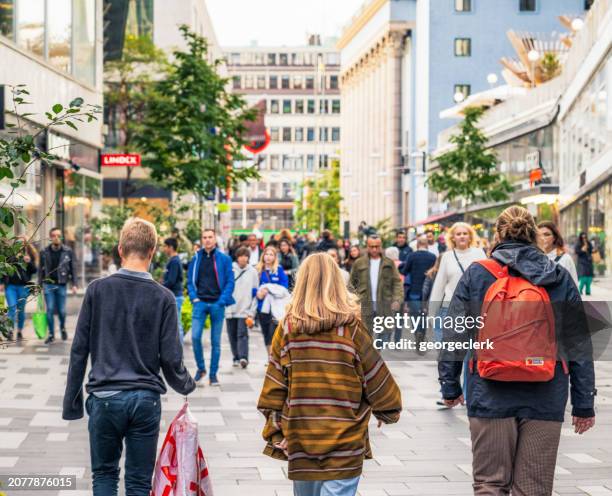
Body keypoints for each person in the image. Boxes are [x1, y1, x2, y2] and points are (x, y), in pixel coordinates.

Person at [439, 206, 596, 495]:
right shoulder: (558, 276)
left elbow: (454, 333)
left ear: (498, 234)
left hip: (488, 390)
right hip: (546, 393)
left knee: (490, 483)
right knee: (533, 486)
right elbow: (578, 343)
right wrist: (583, 402)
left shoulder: (478, 275)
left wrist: (450, 386)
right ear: (535, 234)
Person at [62, 218, 195, 496]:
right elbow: (171, 357)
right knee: (138, 482)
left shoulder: (97, 290)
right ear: (153, 251)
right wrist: (185, 384)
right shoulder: (163, 297)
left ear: (120, 249)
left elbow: (79, 350)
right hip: (144, 400)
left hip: (105, 397)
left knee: (105, 475)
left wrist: (72, 401)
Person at [257, 253, 402, 495]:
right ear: (337, 282)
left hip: (302, 437)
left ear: (301, 282)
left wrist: (275, 432)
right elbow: (374, 373)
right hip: (345, 438)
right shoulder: (351, 327)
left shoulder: (288, 328)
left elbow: (275, 383)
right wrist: (387, 410)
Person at [187, 229, 235, 387]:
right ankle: (201, 369)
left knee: (216, 342)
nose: (207, 240)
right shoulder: (196, 258)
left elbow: (230, 281)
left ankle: (213, 374)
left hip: (217, 304)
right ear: (202, 240)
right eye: (204, 237)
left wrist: (222, 300)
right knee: (195, 337)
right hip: (199, 303)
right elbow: (190, 281)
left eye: (210, 237)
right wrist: (194, 297)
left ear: (215, 239)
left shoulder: (224, 259)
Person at [349, 235, 403, 335]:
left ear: (381, 246)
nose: (374, 249)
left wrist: (397, 299)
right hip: (365, 306)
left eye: (377, 246)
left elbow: (397, 282)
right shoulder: (359, 263)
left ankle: (376, 349)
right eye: (371, 246)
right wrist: (353, 302)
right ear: (367, 247)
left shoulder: (389, 263)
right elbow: (351, 284)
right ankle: (371, 350)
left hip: (384, 305)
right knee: (366, 335)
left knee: (385, 334)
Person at [39, 227, 78, 344]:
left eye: (58, 235)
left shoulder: (68, 251)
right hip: (48, 285)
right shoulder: (44, 251)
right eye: (54, 235)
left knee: (61, 311)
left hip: (61, 284)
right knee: (50, 309)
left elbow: (73, 268)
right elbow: (40, 269)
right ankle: (51, 334)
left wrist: (74, 284)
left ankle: (62, 328)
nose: (56, 237)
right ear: (50, 238)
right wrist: (38, 285)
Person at [225, 247, 259, 369]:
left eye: (246, 255)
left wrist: (252, 311)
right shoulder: (230, 269)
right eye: (241, 255)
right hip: (230, 308)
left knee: (242, 334)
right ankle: (236, 357)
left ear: (248, 258)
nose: (243, 258)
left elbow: (256, 292)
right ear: (237, 257)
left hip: (245, 309)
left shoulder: (253, 272)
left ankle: (244, 357)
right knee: (232, 334)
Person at [401, 235, 436, 343]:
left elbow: (405, 271)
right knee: (424, 314)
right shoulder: (433, 257)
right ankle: (422, 333)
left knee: (414, 314)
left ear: (417, 245)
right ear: (427, 245)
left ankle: (417, 333)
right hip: (428, 291)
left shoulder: (412, 256)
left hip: (414, 291)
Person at [255, 246, 289, 356]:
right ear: (263, 255)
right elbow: (252, 287)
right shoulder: (258, 270)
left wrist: (269, 288)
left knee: (273, 333)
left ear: (275, 257)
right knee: (266, 334)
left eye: (271, 255)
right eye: (266, 254)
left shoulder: (279, 270)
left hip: (276, 308)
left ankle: (274, 357)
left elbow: (284, 288)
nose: (268, 257)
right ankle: (269, 358)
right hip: (262, 307)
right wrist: (257, 292)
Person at [1, 237, 37, 341]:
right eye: (18, 243)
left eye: (22, 244)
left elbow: (34, 270)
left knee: (21, 310)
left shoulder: (28, 256)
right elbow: (3, 269)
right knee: (12, 308)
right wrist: (2, 283)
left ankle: (20, 331)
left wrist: (29, 262)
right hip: (11, 286)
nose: (20, 246)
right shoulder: (9, 255)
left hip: (23, 287)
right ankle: (10, 331)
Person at [537, 221, 578, 286]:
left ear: (555, 237)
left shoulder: (565, 259)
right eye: (538, 235)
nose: (542, 238)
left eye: (546, 234)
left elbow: (574, 287)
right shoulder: (534, 258)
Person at [162, 238, 185, 343]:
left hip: (175, 296)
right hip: (174, 295)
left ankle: (179, 351)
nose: (163, 249)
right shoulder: (172, 260)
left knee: (177, 324)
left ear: (170, 247)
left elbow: (171, 280)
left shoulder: (175, 261)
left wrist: (160, 287)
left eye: (165, 246)